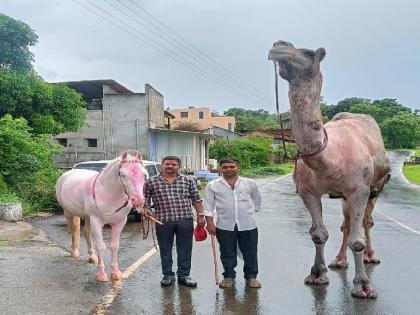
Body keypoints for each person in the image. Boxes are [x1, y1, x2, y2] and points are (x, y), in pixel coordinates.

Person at [143, 156, 206, 287]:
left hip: (185, 219)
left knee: (185, 249)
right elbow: (146, 200)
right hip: (163, 221)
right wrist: (147, 209)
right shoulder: (151, 182)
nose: (170, 166)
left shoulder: (188, 180)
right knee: (165, 249)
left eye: (173, 164)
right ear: (162, 165)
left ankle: (184, 275)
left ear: (179, 166)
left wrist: (201, 215)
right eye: (167, 164)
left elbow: (196, 199)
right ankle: (167, 275)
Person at [204, 158, 262, 289]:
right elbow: (208, 206)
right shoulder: (213, 185)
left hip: (248, 224)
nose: (228, 169)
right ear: (220, 169)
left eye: (232, 167)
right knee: (227, 252)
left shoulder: (249, 183)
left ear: (238, 168)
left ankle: (252, 277)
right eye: (225, 167)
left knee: (250, 252)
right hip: (224, 225)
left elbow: (257, 201)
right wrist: (210, 223)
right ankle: (228, 277)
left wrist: (249, 212)